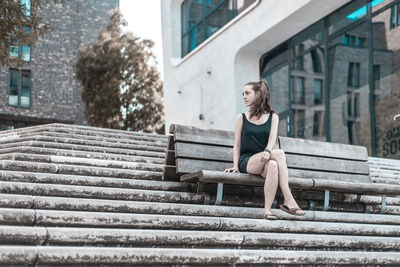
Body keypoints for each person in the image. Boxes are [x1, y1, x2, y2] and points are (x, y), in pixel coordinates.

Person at [224, 79, 305, 219]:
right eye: (242, 93)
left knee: (273, 165)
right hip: (248, 161)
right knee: (279, 153)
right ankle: (288, 198)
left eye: (247, 93)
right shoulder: (241, 118)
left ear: (258, 94)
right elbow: (237, 144)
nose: (244, 96)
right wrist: (235, 165)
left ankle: (268, 211)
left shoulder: (273, 117)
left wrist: (267, 151)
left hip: (266, 160)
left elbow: (272, 138)